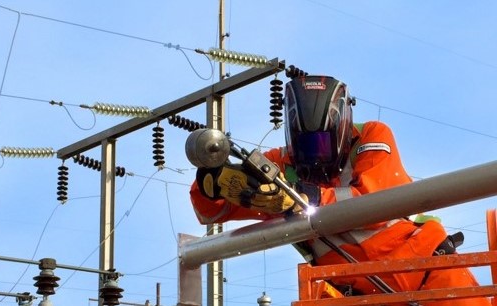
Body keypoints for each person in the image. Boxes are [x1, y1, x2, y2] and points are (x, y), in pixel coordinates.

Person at [189, 75, 490, 305]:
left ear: (342, 126)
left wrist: (305, 196)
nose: (314, 154)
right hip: (360, 295)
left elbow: (375, 202)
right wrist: (216, 186)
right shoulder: (280, 166)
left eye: (321, 143)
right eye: (306, 144)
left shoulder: (370, 137)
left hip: (435, 280)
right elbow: (209, 212)